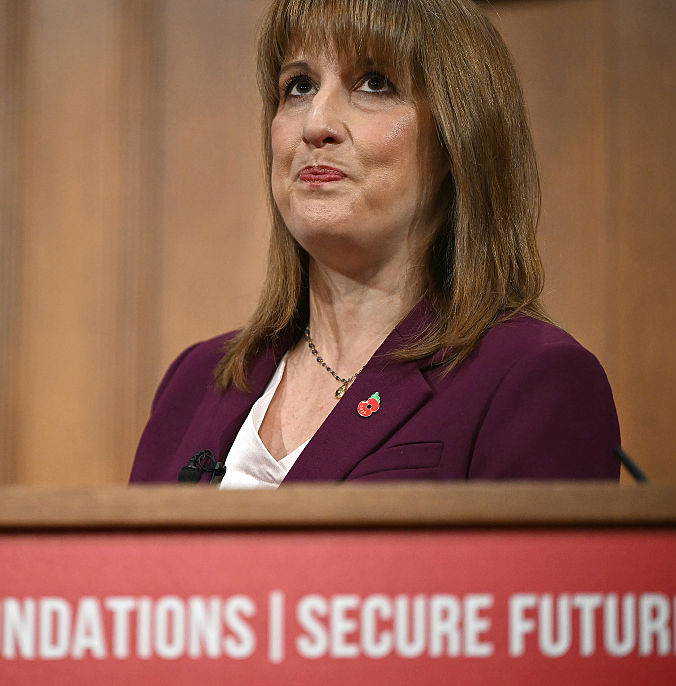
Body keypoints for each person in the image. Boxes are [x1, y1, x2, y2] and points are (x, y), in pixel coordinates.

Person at [130, 0, 620, 486]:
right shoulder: (195, 381)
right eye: (299, 87)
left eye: (374, 83)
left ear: (458, 137)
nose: (316, 124)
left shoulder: (533, 379)